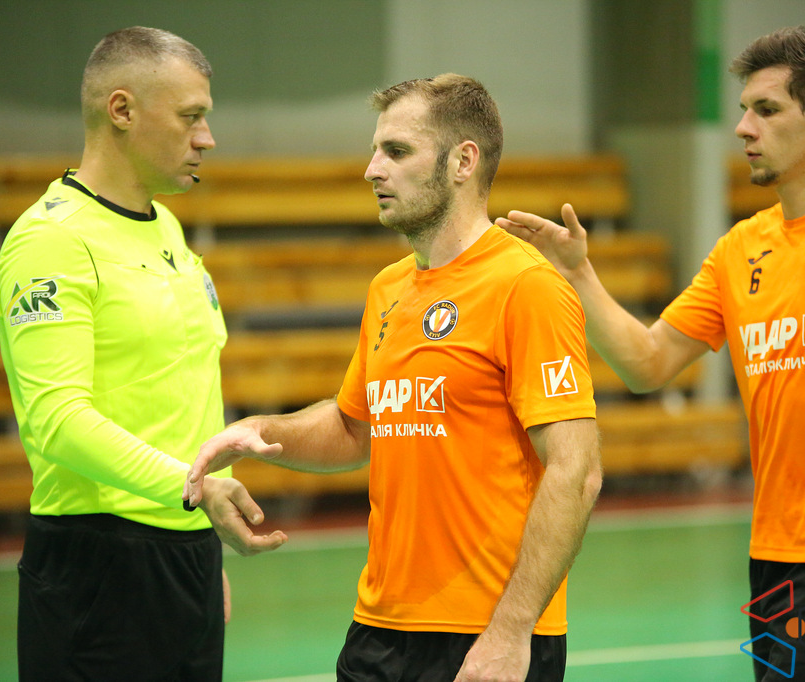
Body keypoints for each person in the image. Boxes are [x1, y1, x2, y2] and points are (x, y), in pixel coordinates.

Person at [498, 26, 805, 682]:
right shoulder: (739, 249)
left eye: (767, 109)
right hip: (771, 552)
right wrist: (579, 273)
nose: (744, 127)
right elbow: (648, 361)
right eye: (745, 109)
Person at [184, 74, 602, 681]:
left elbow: (576, 471)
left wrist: (512, 631)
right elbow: (355, 429)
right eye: (375, 150)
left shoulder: (527, 287)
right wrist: (258, 433)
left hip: (483, 635)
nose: (372, 169)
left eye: (397, 151)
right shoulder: (389, 287)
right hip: (379, 629)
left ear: (463, 162)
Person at [0, 26, 286, 682]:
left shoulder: (168, 228)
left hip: (184, 552)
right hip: (98, 566)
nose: (207, 138)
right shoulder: (52, 242)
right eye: (190, 117)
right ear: (121, 110)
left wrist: (197, 544)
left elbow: (179, 392)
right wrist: (194, 490)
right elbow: (57, 420)